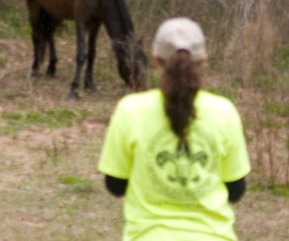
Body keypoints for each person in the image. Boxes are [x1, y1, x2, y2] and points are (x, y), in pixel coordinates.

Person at [98, 17, 251, 240]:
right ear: (204, 59)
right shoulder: (224, 112)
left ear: (155, 58)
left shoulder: (129, 110)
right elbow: (236, 191)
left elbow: (115, 186)